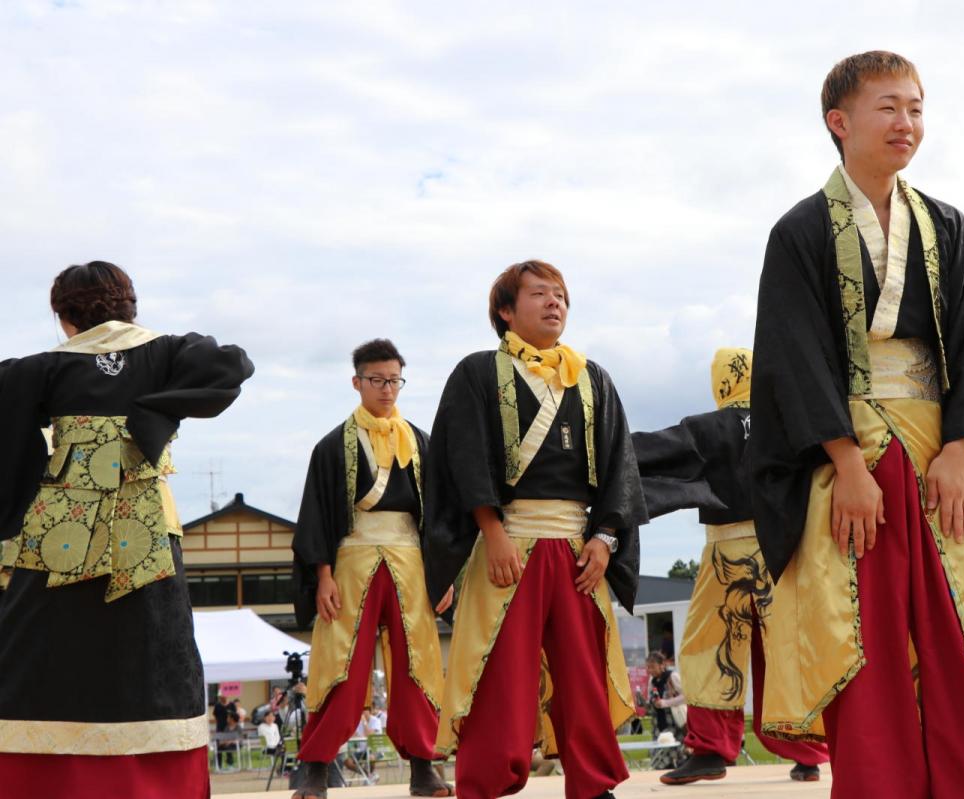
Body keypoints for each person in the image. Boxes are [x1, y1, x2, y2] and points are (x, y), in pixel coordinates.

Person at [750, 52, 964, 799]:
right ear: (839, 122)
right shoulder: (799, 231)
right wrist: (846, 464)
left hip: (943, 447)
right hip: (848, 455)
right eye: (888, 107)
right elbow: (792, 352)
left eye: (915, 107)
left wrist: (961, 446)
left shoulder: (948, 225)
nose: (906, 122)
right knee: (866, 631)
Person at [0, 261, 254, 799]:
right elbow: (229, 365)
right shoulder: (169, 352)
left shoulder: (40, 368)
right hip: (149, 526)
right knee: (154, 652)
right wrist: (150, 417)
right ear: (129, 306)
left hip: (55, 532)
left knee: (40, 654)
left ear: (64, 317)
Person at [425, 259, 647, 799]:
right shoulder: (477, 372)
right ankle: (483, 784)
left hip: (577, 548)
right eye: (540, 294)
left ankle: (593, 784)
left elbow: (620, 464)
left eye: (561, 296)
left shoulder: (593, 377)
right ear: (505, 310)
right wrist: (491, 530)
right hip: (508, 544)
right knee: (499, 674)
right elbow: (462, 456)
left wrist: (606, 538)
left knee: (583, 675)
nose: (555, 303)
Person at [633, 347, 830, 785]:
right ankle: (808, 752)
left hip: (726, 552)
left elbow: (656, 450)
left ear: (720, 381)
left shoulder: (712, 426)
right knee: (786, 649)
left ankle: (710, 751)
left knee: (709, 649)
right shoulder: (789, 423)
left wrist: (598, 449)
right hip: (785, 553)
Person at [290, 338, 453, 799]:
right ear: (357, 382)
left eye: (394, 380)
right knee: (339, 664)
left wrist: (444, 576)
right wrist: (322, 576)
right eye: (377, 380)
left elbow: (441, 516)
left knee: (417, 666)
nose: (387, 389)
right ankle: (316, 770)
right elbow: (316, 513)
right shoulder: (330, 447)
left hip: (412, 564)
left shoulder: (423, 443)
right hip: (350, 564)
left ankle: (425, 768)